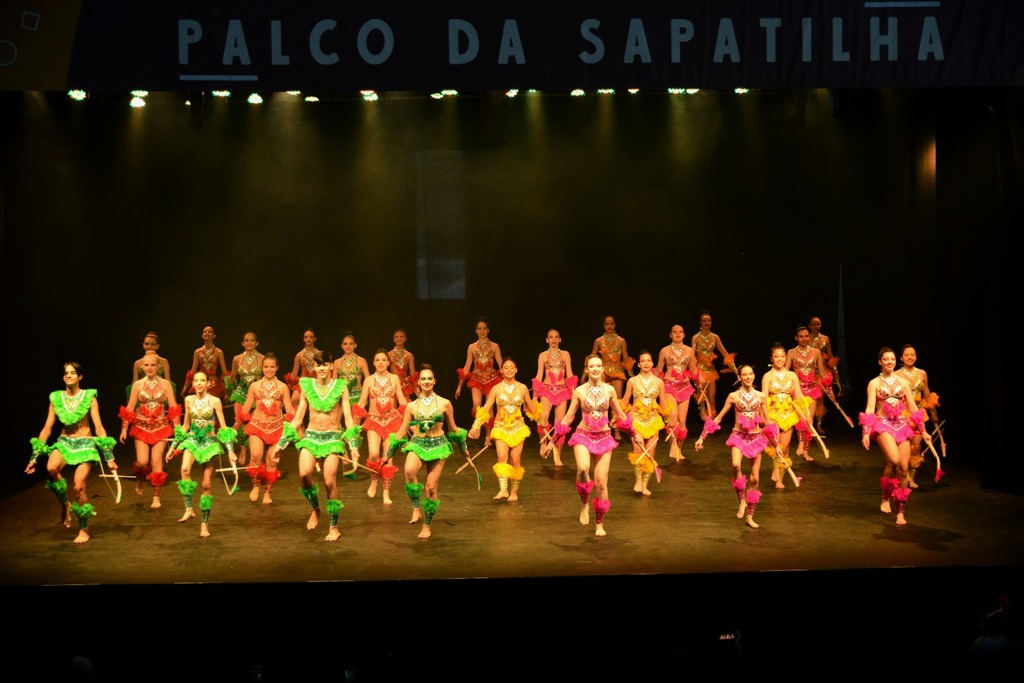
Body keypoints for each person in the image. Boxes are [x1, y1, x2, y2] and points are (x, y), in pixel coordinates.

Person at [271, 351, 361, 541]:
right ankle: (316, 509)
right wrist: (280, 444)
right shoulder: (307, 386)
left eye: (324, 364)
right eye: (317, 365)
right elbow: (297, 419)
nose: (321, 368)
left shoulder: (341, 387)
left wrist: (353, 446)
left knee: (329, 481)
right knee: (304, 475)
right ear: (314, 367)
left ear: (330, 366)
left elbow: (349, 419)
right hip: (311, 436)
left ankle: (334, 527)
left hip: (333, 437)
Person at [27, 362, 117, 543]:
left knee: (78, 487)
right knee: (51, 468)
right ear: (63, 377)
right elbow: (46, 429)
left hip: (85, 444)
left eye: (73, 373)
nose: (69, 375)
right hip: (65, 442)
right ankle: (65, 504)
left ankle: (84, 529)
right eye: (66, 373)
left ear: (80, 377)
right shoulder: (56, 398)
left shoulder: (90, 397)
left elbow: (99, 428)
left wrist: (109, 458)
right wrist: (34, 458)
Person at [387, 365, 467, 539]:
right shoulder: (411, 406)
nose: (426, 382)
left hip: (438, 446)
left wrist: (464, 449)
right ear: (418, 382)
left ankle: (427, 525)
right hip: (418, 444)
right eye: (423, 379)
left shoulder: (445, 403)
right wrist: (388, 455)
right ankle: (416, 507)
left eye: (429, 378)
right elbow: (401, 431)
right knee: (409, 471)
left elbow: (453, 429)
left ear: (435, 381)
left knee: (431, 488)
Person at [556, 355, 631, 537]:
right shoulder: (580, 391)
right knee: (583, 469)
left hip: (604, 437)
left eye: (598, 365)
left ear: (602, 368)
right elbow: (568, 417)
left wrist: (634, 433)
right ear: (587, 369)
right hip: (583, 434)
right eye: (592, 366)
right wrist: (553, 441)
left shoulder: (610, 390)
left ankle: (599, 524)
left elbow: (620, 414)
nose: (595, 368)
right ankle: (584, 503)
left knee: (601, 484)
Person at [694, 365, 775, 529]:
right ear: (740, 377)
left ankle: (750, 516)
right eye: (744, 374)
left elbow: (767, 421)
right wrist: (702, 437)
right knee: (736, 465)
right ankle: (741, 501)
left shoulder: (761, 396)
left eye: (750, 374)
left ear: (754, 375)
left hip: (756, 438)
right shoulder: (733, 396)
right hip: (738, 436)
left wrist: (776, 444)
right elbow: (718, 418)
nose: (748, 377)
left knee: (755, 478)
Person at [859, 347, 932, 526]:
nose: (890, 362)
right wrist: (866, 433)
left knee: (904, 469)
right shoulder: (874, 383)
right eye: (886, 359)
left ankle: (900, 511)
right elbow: (870, 408)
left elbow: (914, 409)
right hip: (883, 424)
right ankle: (885, 497)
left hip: (902, 425)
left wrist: (923, 431)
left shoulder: (903, 383)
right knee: (894, 459)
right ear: (880, 362)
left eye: (892, 359)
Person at [169, 371, 236, 538]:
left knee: (206, 484)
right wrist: (172, 447)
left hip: (209, 443)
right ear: (193, 383)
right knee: (185, 469)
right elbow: (185, 426)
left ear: (208, 383)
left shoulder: (215, 401)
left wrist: (230, 451)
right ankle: (189, 508)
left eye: (202, 380)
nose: (199, 383)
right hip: (192, 440)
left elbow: (224, 427)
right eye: (196, 380)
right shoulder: (188, 400)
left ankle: (204, 525)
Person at [470, 357, 540, 502]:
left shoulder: (522, 388)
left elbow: (531, 408)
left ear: (516, 370)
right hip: (501, 428)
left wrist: (537, 409)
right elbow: (486, 408)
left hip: (517, 428)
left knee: (515, 460)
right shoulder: (496, 389)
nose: (509, 370)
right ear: (501, 371)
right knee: (502, 457)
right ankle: (503, 489)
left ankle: (514, 492)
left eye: (511, 367)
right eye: (506, 367)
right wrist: (475, 426)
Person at [120, 351, 181, 508]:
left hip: (160, 427)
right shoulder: (138, 385)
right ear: (142, 366)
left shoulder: (166, 384)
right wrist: (124, 428)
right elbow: (130, 408)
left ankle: (156, 497)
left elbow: (173, 407)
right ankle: (140, 478)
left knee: (156, 462)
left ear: (158, 366)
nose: (149, 368)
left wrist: (178, 427)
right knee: (142, 462)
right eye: (146, 365)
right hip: (141, 427)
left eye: (153, 365)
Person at [238, 353, 295, 504]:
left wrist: (297, 423)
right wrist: (235, 424)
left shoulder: (283, 387)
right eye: (265, 367)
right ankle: (256, 485)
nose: (268, 370)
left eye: (272, 367)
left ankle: (268, 493)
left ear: (277, 368)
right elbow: (246, 407)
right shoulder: (254, 386)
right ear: (261, 368)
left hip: (277, 427)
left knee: (272, 460)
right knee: (256, 455)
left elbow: (289, 408)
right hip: (257, 426)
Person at [357, 349, 408, 505]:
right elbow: (361, 402)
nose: (380, 363)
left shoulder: (394, 379)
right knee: (373, 454)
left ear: (388, 362)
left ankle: (386, 492)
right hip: (374, 420)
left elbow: (401, 400)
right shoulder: (368, 380)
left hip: (391, 421)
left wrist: (410, 418)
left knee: (387, 458)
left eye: (383, 360)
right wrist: (354, 422)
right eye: (377, 360)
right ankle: (374, 479)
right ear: (374, 363)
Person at [761, 343, 812, 489]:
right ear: (771, 358)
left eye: (782, 356)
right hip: (773, 414)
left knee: (785, 447)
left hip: (789, 414)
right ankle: (776, 470)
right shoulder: (767, 376)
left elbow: (799, 395)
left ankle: (779, 480)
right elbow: (764, 397)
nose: (780, 359)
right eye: (776, 357)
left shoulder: (792, 375)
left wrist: (806, 414)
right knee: (776, 445)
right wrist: (765, 418)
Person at [622, 351, 671, 496]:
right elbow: (625, 400)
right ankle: (637, 480)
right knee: (638, 450)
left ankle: (645, 485)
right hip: (636, 419)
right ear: (638, 364)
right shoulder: (632, 381)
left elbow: (662, 402)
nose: (646, 363)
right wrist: (617, 417)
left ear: (652, 363)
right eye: (643, 361)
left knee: (650, 453)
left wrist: (668, 421)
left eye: (648, 360)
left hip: (653, 420)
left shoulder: (659, 382)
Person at [785, 325, 832, 461]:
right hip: (798, 391)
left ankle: (806, 451)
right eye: (801, 336)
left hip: (812, 390)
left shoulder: (816, 352)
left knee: (809, 421)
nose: (804, 339)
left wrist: (829, 390)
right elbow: (787, 372)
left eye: (806, 336)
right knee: (801, 419)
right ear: (796, 338)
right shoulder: (791, 352)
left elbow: (822, 372)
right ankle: (800, 444)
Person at [456, 318, 503, 447]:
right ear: (476, 331)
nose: (482, 331)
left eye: (484, 329)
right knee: (477, 406)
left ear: (488, 330)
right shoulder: (472, 347)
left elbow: (501, 364)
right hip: (476, 379)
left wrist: (509, 382)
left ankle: (488, 436)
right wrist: (459, 386)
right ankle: (477, 428)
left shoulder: (494, 346)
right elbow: (467, 367)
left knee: (489, 407)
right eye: (479, 329)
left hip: (492, 379)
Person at [899, 344, 941, 487]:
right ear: (901, 358)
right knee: (903, 446)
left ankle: (911, 477)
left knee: (916, 445)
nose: (910, 357)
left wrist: (933, 412)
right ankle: (902, 474)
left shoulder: (922, 374)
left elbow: (927, 394)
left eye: (913, 354)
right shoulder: (897, 374)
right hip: (902, 414)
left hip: (918, 414)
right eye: (907, 355)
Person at [533, 328, 575, 467]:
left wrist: (573, 392)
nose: (554, 339)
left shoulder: (566, 354)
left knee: (560, 423)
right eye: (551, 337)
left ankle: (557, 454)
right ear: (547, 340)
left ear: (560, 339)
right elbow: (539, 375)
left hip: (562, 390)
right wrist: (535, 395)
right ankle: (543, 442)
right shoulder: (542, 355)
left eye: (556, 337)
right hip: (547, 389)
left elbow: (569, 374)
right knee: (543, 418)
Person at [655, 324, 698, 460]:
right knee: (672, 417)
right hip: (669, 386)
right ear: (670, 335)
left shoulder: (690, 351)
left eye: (680, 332)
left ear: (684, 335)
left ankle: (679, 448)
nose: (678, 334)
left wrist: (700, 383)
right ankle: (673, 446)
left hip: (685, 386)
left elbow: (692, 370)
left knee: (682, 420)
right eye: (674, 332)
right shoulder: (664, 351)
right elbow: (658, 370)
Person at [226, 331, 264, 465]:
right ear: (243, 343)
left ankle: (251, 448)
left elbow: (264, 378)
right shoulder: (237, 359)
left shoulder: (262, 358)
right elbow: (232, 376)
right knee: (239, 420)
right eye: (246, 340)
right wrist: (227, 391)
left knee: (254, 424)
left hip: (255, 395)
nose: (249, 343)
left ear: (257, 343)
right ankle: (242, 448)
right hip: (241, 393)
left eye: (252, 340)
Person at [691, 311, 733, 421]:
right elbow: (692, 355)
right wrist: (693, 371)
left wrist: (734, 367)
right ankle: (703, 417)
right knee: (701, 396)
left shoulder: (715, 337)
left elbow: (725, 354)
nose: (707, 322)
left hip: (711, 371)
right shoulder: (696, 338)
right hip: (699, 369)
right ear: (700, 322)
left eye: (709, 320)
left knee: (711, 397)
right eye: (704, 320)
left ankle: (711, 421)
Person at [808, 315, 842, 432]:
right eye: (814, 324)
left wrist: (835, 372)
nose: (816, 326)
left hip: (822, 372)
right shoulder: (806, 339)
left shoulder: (825, 339)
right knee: (810, 399)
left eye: (818, 324)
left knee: (821, 399)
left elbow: (831, 356)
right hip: (810, 373)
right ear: (809, 326)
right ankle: (809, 425)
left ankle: (819, 426)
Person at [182, 325, 229, 400]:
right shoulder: (197, 352)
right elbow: (192, 371)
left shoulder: (219, 352)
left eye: (210, 332)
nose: (207, 333)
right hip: (200, 383)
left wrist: (228, 391)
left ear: (214, 336)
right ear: (202, 335)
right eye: (205, 332)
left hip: (214, 384)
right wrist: (185, 388)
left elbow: (225, 373)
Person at [128, 331, 172, 399]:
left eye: (153, 344)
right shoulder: (137, 363)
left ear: (157, 346)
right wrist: (131, 397)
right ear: (143, 345)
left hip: (159, 394)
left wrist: (169, 396)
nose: (149, 346)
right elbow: (134, 381)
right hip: (142, 394)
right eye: (147, 344)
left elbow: (168, 381)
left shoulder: (164, 362)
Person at [285, 327, 321, 409]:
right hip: (303, 383)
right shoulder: (299, 355)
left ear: (315, 339)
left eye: (311, 337)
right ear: (303, 339)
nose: (308, 339)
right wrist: (289, 385)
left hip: (316, 383)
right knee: (294, 400)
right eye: (306, 337)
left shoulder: (319, 354)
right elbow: (294, 374)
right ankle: (299, 421)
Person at [388, 328, 418, 401]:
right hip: (392, 384)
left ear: (405, 339)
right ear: (393, 339)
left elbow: (412, 374)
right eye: (396, 337)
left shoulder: (409, 355)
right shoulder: (389, 354)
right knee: (392, 409)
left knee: (405, 408)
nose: (399, 338)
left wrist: (416, 388)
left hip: (405, 386)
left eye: (401, 336)